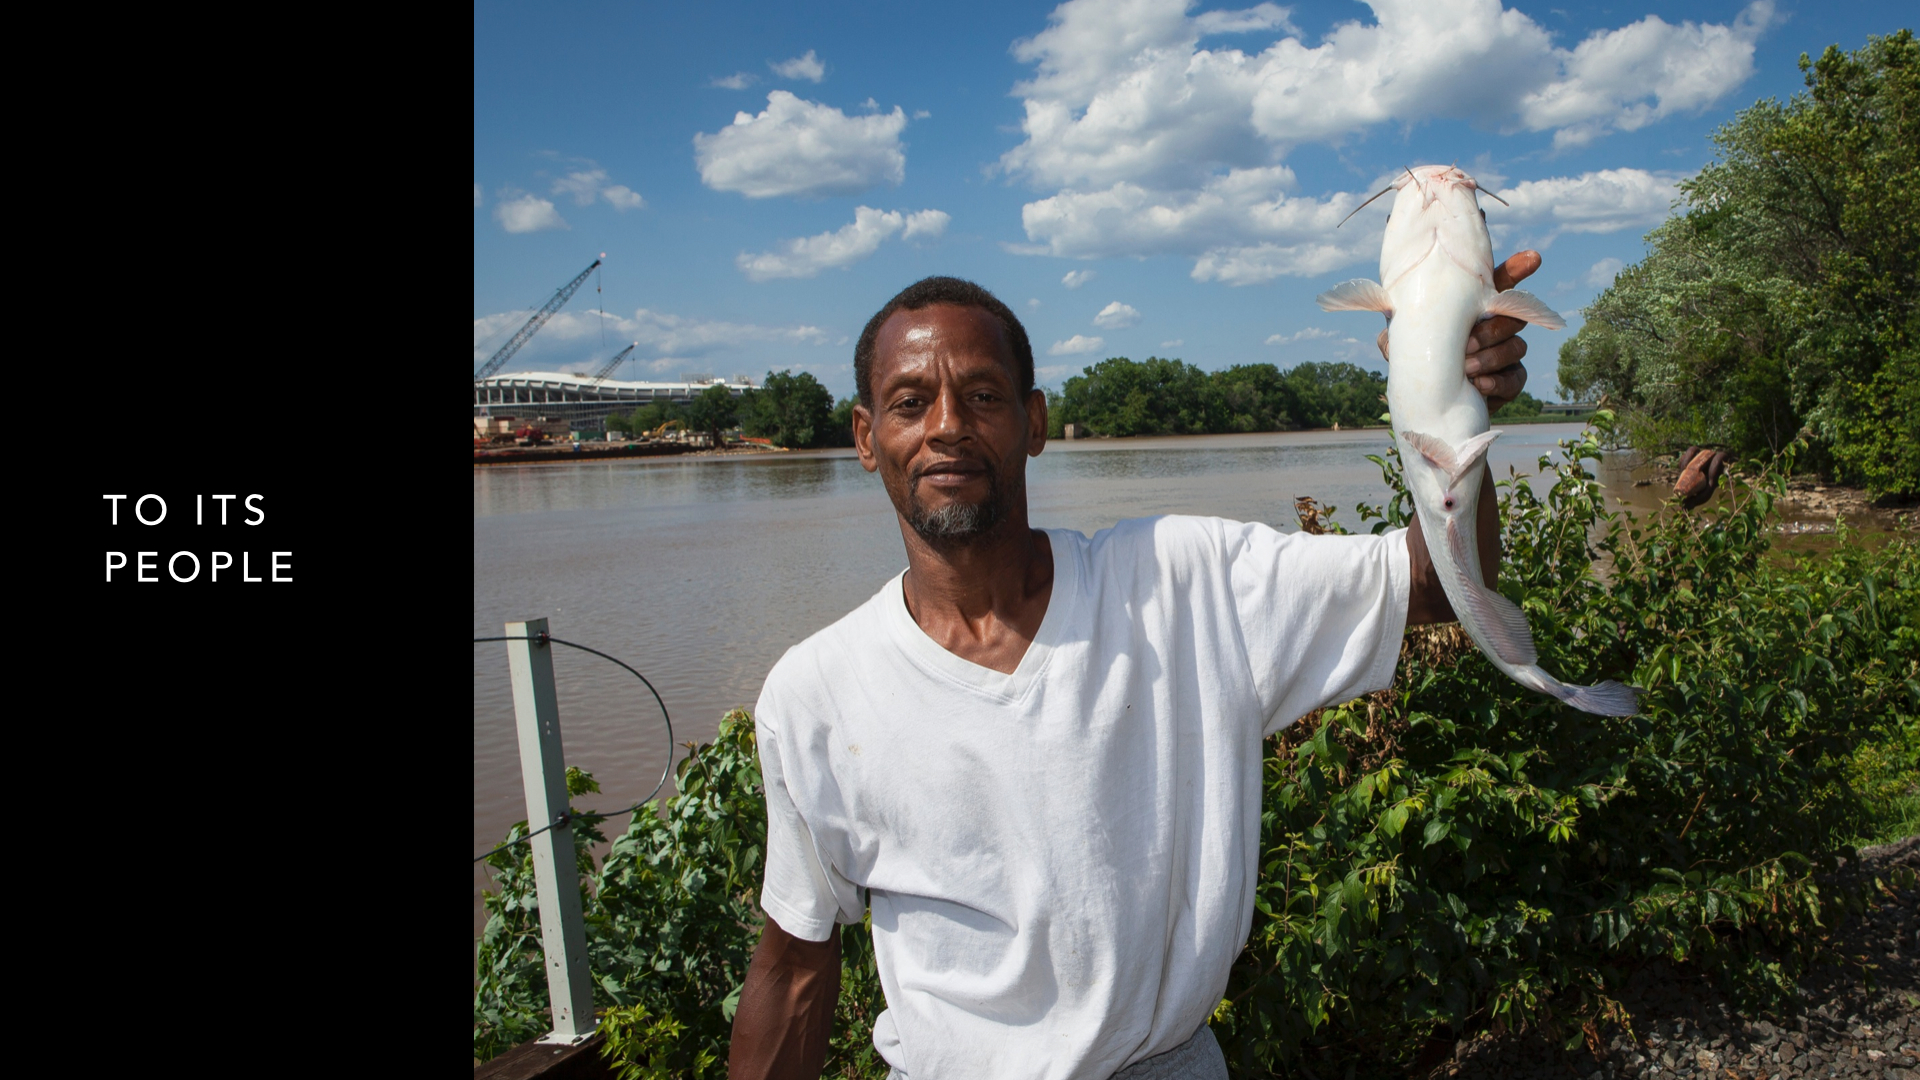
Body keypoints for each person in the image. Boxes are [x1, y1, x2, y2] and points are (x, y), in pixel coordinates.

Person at [730, 258, 1540, 1080]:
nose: (948, 426)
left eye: (982, 396)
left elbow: (1438, 582)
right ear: (866, 437)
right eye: (910, 402)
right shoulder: (816, 694)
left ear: (1034, 422)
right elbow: (794, 969)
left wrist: (1447, 393)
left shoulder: (1182, 583)